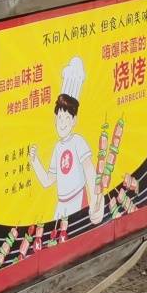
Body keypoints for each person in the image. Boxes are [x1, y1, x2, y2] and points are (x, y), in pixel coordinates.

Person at [29, 55, 105, 226]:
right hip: (61, 206)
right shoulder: (57, 147)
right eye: (60, 117)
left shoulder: (78, 141)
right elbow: (48, 181)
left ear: (74, 120)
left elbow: (89, 171)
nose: (62, 123)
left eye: (67, 118)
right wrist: (34, 161)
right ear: (55, 119)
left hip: (78, 201)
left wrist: (95, 202)